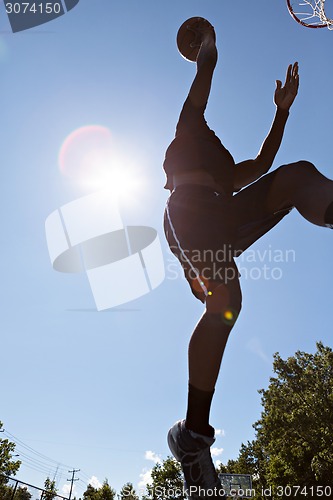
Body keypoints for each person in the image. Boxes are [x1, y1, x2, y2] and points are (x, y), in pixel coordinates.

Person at [163, 18, 333, 499]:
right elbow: (205, 79)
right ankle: (192, 438)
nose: (214, 137)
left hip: (225, 210)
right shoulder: (188, 126)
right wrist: (208, 46)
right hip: (189, 211)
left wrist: (281, 113)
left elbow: (259, 166)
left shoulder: (223, 167)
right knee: (227, 303)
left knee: (296, 175)